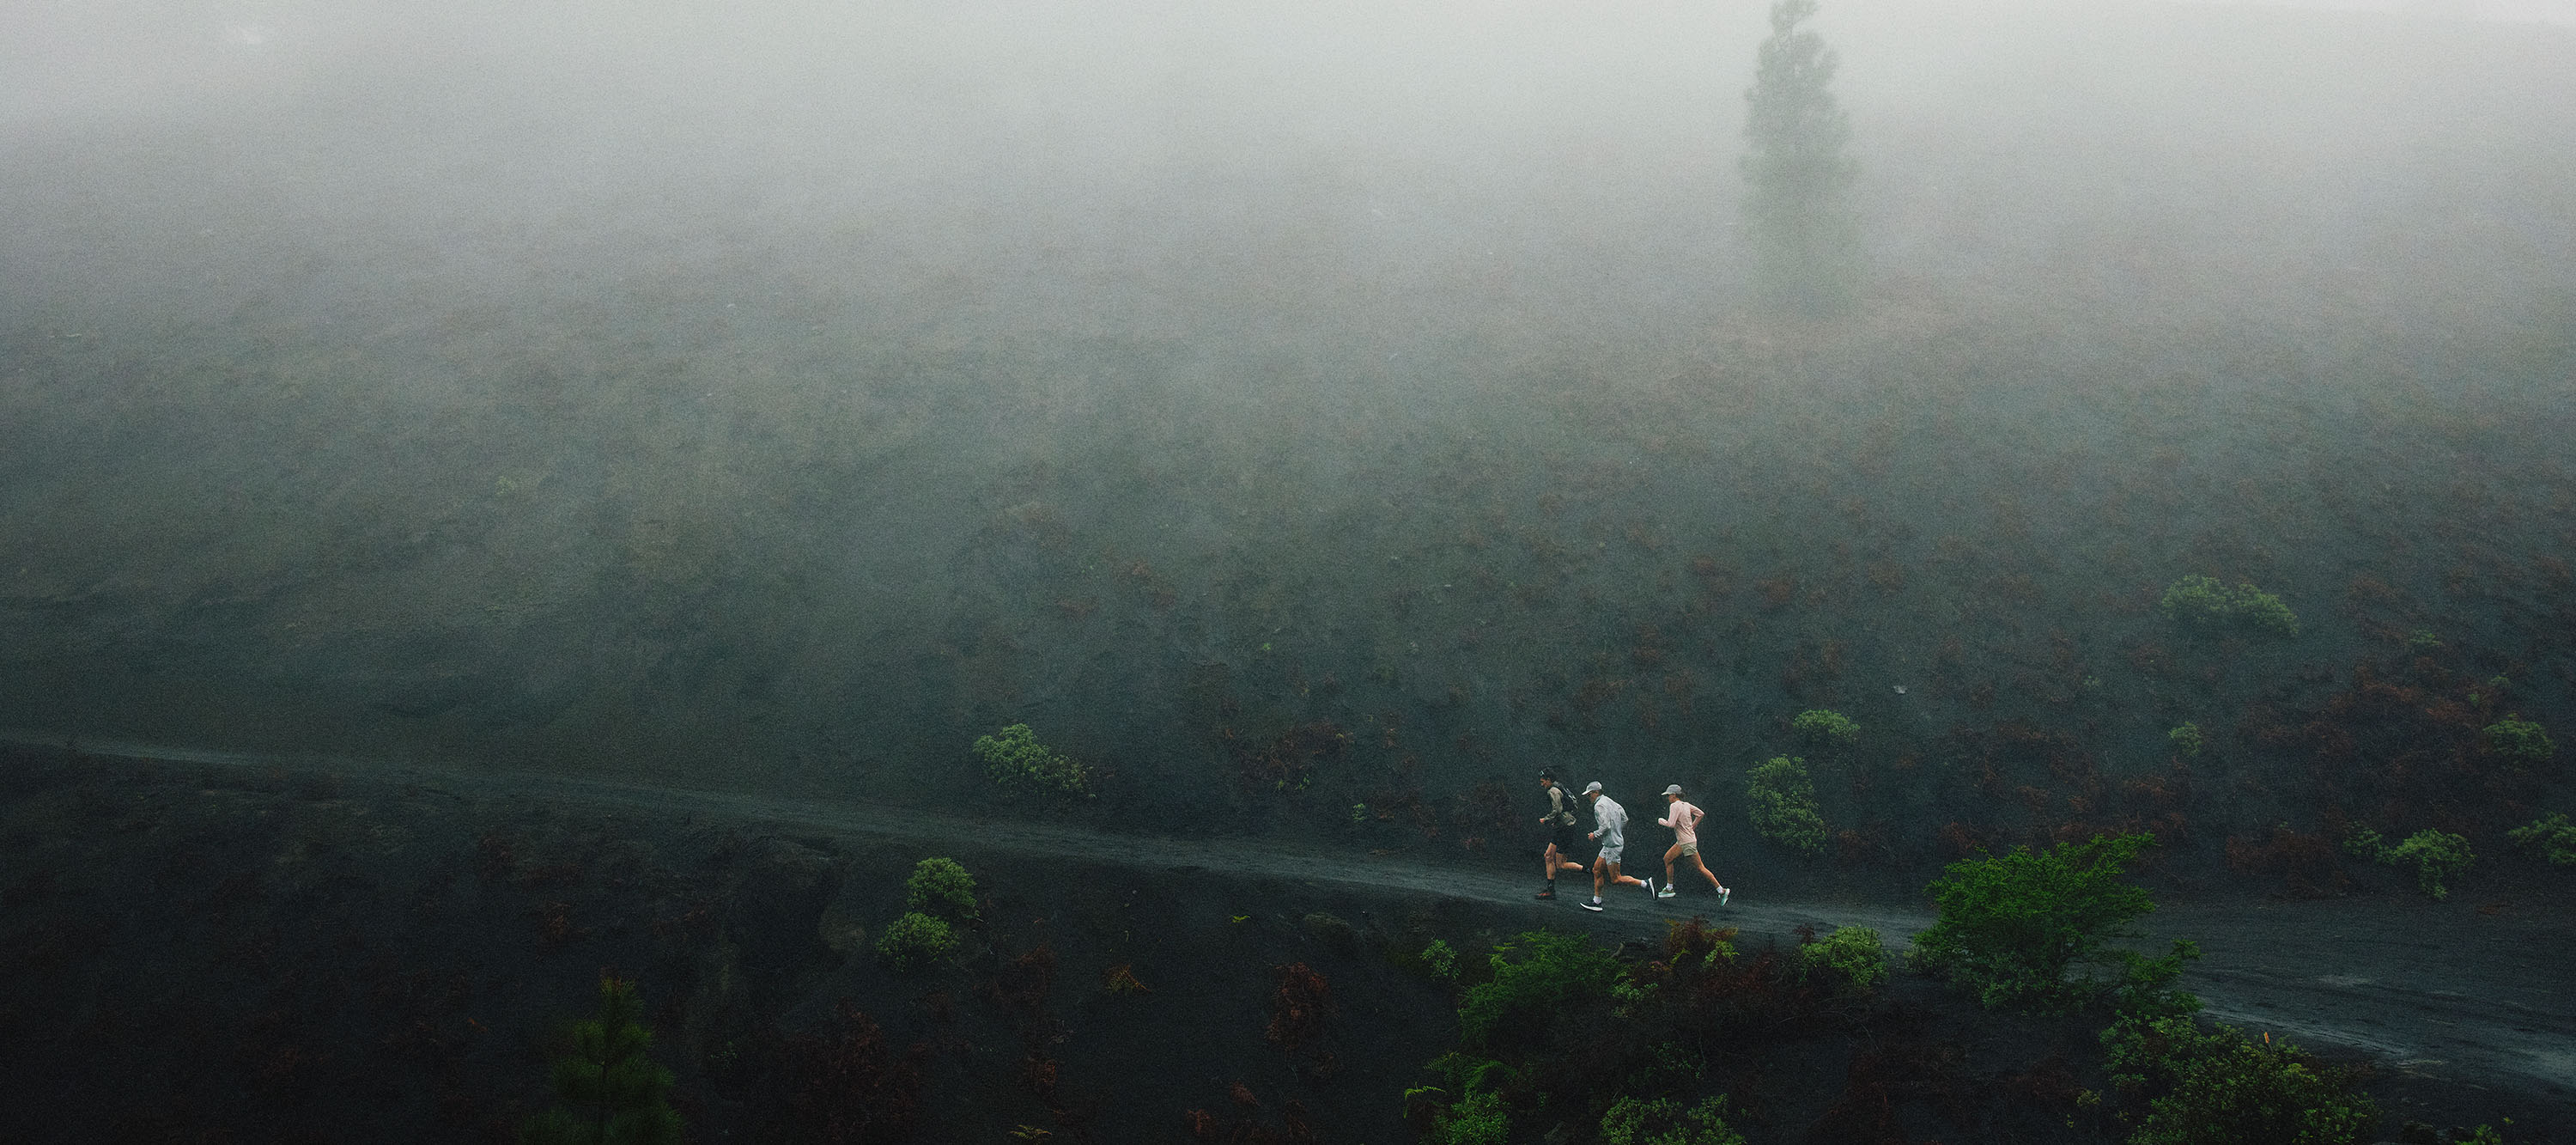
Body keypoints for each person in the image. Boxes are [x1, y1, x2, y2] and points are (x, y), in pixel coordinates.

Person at [1577, 781, 1653, 911]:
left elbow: (1605, 826)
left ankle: (1645, 884)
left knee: (1616, 879)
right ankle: (1597, 902)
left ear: (1596, 793)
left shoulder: (1599, 806)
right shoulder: (1610, 801)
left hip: (1612, 846)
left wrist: (1595, 835)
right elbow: (1625, 819)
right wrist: (1616, 832)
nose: (1589, 797)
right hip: (1609, 845)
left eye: (1590, 795)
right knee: (1596, 870)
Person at [1655, 784, 1729, 905]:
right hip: (1684, 841)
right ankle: (1669, 889)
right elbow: (1701, 814)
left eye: (1668, 795)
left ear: (1674, 795)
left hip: (1686, 843)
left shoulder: (1674, 806)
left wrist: (1661, 821)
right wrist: (1692, 826)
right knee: (1667, 859)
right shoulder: (1686, 805)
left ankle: (1722, 890)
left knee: (1700, 867)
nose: (1668, 798)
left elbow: (1671, 824)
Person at [1534, 770, 1586, 898]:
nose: (1542, 784)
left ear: (1549, 780)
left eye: (1543, 781)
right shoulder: (1560, 787)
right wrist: (1558, 821)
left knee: (1561, 864)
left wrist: (1546, 819)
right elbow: (1572, 806)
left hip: (1565, 829)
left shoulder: (1553, 790)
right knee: (1548, 856)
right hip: (1563, 827)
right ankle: (1550, 891)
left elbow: (1558, 809)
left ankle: (1589, 870)